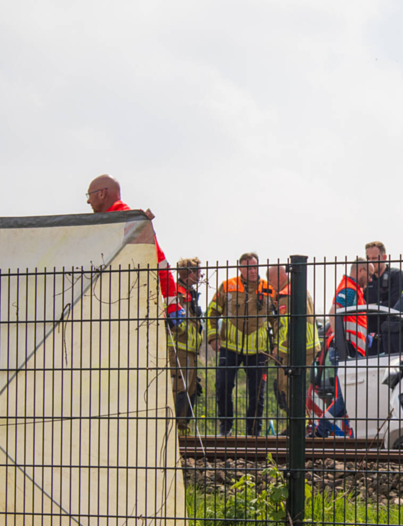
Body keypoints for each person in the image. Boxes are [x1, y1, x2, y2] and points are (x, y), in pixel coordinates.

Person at [206, 253, 278, 437]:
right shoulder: (227, 286)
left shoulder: (268, 289)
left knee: (257, 394)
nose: (253, 271)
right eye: (248, 268)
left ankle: (253, 433)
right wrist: (213, 337)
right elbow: (212, 313)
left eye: (255, 267)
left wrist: (276, 344)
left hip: (258, 351)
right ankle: (225, 429)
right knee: (222, 386)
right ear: (240, 269)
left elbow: (276, 321)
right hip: (230, 348)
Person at [85, 174, 176, 308]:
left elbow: (158, 261)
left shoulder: (131, 223)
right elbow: (160, 262)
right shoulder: (134, 222)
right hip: (131, 304)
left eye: (89, 195)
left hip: (122, 303)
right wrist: (172, 304)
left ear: (101, 194)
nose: (88, 202)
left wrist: (172, 304)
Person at [267, 264, 321, 430]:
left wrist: (279, 351)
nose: (270, 284)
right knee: (291, 387)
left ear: (279, 277)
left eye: (270, 279)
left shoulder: (286, 295)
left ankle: (298, 426)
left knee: (286, 387)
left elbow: (286, 328)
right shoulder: (298, 289)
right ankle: (297, 424)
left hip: (296, 350)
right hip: (307, 347)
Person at [167, 258, 204, 432]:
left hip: (190, 351)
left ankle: (182, 428)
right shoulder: (175, 292)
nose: (200, 276)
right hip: (178, 350)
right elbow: (174, 322)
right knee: (179, 389)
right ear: (189, 273)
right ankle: (174, 429)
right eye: (198, 272)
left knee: (190, 390)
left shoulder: (189, 294)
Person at [363, 241, 403, 355]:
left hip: (392, 334)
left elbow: (397, 303)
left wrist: (372, 307)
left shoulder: (397, 276)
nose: (371, 262)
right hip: (371, 336)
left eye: (374, 258)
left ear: (384, 257)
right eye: (368, 259)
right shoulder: (366, 279)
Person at [329, 258, 369, 359]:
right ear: (361, 270)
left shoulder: (353, 289)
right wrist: (341, 345)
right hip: (349, 349)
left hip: (351, 348)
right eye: (369, 275)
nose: (370, 279)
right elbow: (333, 313)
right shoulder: (350, 289)